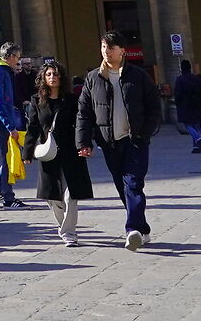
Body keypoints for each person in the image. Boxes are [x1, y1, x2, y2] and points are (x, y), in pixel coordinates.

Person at [77, 30, 162, 250]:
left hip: (134, 139)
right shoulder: (93, 77)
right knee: (121, 185)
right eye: (103, 47)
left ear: (122, 51)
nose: (106, 51)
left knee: (133, 183)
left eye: (111, 47)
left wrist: (144, 133)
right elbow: (84, 112)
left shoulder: (138, 75)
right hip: (109, 142)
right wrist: (83, 142)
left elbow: (154, 106)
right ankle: (142, 228)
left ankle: (131, 228)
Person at [26, 57, 93, 246]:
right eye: (48, 74)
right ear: (43, 78)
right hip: (48, 151)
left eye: (55, 74)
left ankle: (68, 232)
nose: (53, 77)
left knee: (71, 194)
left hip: (71, 150)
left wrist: (85, 144)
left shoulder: (72, 100)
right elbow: (32, 127)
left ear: (61, 77)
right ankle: (64, 226)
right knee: (52, 195)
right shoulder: (36, 101)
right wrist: (27, 152)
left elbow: (82, 123)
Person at [0, 42, 28, 206]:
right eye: (17, 57)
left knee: (10, 156)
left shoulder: (1, 70)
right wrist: (10, 126)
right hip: (2, 121)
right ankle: (8, 197)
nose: (18, 61)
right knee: (9, 157)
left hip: (3, 120)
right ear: (9, 57)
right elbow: (0, 101)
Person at [174, 59, 201, 153]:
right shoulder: (195, 78)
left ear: (181, 69)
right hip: (196, 104)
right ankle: (196, 146)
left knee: (188, 125)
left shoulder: (180, 80)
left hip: (184, 105)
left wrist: (177, 102)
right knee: (196, 124)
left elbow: (177, 94)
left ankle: (198, 139)